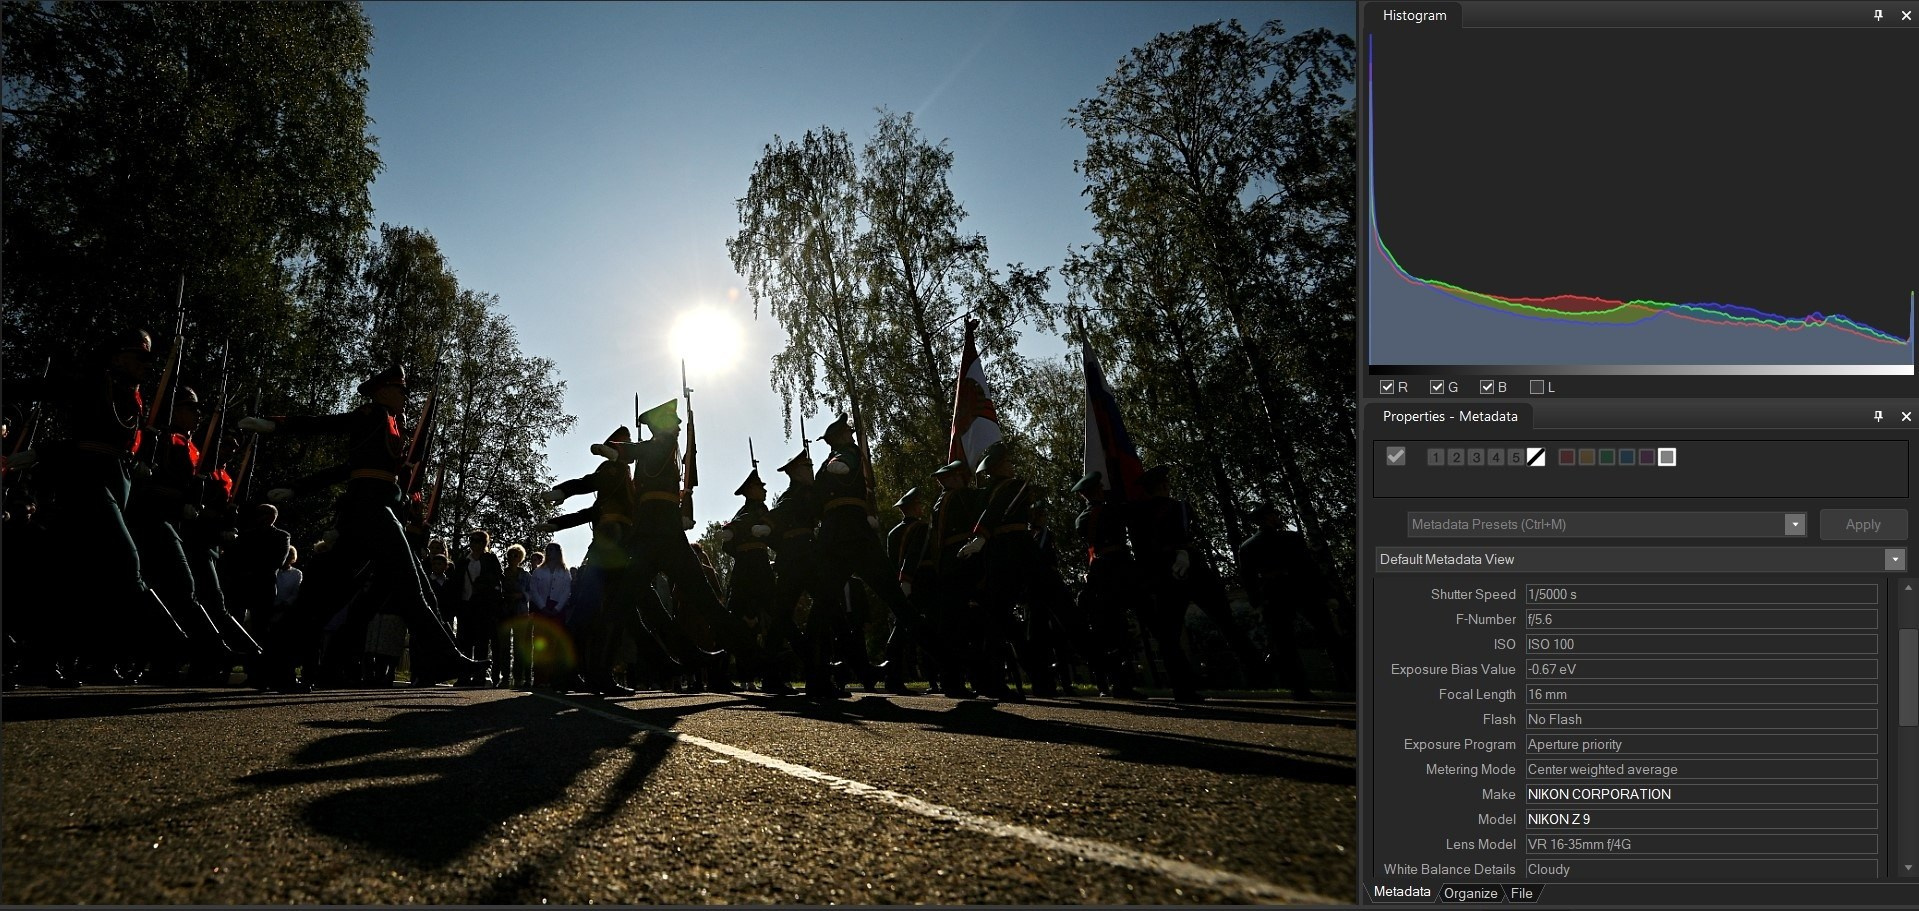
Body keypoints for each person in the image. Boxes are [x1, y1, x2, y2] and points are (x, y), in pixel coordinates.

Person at [237, 365, 480, 690]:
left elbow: (350, 468)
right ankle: (447, 657)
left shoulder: (391, 424)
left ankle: (274, 665)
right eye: (400, 390)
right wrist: (277, 424)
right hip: (373, 513)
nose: (405, 396)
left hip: (368, 514)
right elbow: (329, 424)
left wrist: (298, 487)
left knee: (325, 596)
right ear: (382, 391)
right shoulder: (373, 414)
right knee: (410, 587)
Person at [809, 413, 919, 695]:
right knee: (823, 607)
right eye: (845, 433)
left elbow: (845, 465)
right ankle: (817, 676)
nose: (849, 435)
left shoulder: (849, 454)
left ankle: (948, 663)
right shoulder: (832, 461)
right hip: (840, 535)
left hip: (851, 533)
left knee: (896, 601)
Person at [1236, 502, 1353, 699]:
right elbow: (1310, 567)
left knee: (1285, 644)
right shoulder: (1291, 538)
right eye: (1274, 514)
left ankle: (1299, 689)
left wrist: (1258, 603)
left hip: (1274, 595)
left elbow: (1249, 580)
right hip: (1302, 589)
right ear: (1267, 517)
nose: (1277, 517)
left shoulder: (1247, 547)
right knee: (1329, 635)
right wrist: (1327, 593)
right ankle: (1350, 679)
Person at [955, 440, 1043, 699]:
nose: (1011, 465)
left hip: (1003, 553)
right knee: (1002, 619)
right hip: (1015, 552)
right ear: (997, 467)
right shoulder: (1009, 487)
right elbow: (994, 510)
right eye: (1007, 462)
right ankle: (1012, 677)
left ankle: (1029, 675)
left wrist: (981, 537)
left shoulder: (997, 491)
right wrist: (981, 536)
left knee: (1005, 619)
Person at [719, 468, 796, 695]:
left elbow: (729, 545)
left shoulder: (747, 513)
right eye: (760, 487)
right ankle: (775, 676)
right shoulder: (755, 511)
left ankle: (722, 673)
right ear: (750, 490)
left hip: (744, 569)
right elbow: (751, 527)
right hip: (758, 570)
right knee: (773, 618)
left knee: (736, 620)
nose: (764, 490)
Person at [1073, 472, 1144, 698]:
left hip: (1099, 571)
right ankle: (1123, 682)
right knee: (1121, 628)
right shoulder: (1111, 510)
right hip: (1120, 568)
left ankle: (1114, 680)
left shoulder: (1082, 518)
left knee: (1110, 627)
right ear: (1097, 490)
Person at [918, 459, 985, 698]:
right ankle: (973, 679)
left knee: (953, 625)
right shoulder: (959, 497)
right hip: (962, 564)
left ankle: (954, 679)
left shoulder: (942, 501)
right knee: (965, 625)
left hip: (948, 565)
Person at [881, 486, 930, 694]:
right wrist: (908, 580)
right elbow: (914, 556)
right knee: (915, 630)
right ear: (914, 507)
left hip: (898, 586)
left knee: (901, 629)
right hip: (918, 584)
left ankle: (893, 676)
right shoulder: (921, 528)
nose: (921, 508)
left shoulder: (893, 533)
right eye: (919, 505)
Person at [452, 529, 505, 686]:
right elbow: (456, 582)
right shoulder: (464, 561)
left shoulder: (490, 559)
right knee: (464, 641)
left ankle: (480, 675)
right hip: (465, 604)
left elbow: (498, 577)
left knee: (482, 642)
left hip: (483, 606)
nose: (474, 543)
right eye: (472, 540)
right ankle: (464, 675)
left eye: (478, 541)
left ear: (485, 543)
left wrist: (484, 582)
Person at [524, 541, 573, 686]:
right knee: (541, 643)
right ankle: (539, 678)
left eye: (553, 550)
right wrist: (542, 606)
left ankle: (554, 678)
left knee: (555, 644)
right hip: (542, 609)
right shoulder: (539, 571)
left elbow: (566, 591)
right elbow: (534, 590)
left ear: (559, 553)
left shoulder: (565, 572)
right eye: (548, 550)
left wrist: (557, 608)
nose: (550, 552)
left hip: (557, 610)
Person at [501, 543, 532, 687]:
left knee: (519, 646)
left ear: (521, 558)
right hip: (505, 612)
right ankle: (505, 677)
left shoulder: (526, 575)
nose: (512, 557)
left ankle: (518, 678)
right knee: (504, 646)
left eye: (516, 555)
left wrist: (521, 595)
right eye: (510, 555)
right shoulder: (502, 574)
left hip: (521, 613)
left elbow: (531, 592)